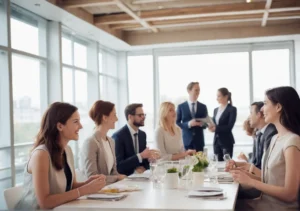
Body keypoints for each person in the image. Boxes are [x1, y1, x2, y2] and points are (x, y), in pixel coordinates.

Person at [15, 102, 106, 210]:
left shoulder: (67, 150)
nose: (81, 126)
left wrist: (88, 184)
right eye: (76, 122)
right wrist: (84, 190)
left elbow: (70, 187)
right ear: (60, 126)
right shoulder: (41, 155)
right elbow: (44, 202)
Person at [228, 86, 300, 210]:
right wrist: (245, 176)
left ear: (278, 107)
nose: (262, 109)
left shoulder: (292, 141)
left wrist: (251, 182)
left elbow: (290, 194)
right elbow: (272, 181)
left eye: (265, 103)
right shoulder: (275, 138)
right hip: (263, 203)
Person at [80, 100, 126, 184]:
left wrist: (122, 178)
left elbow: (114, 172)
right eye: (114, 115)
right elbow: (92, 177)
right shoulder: (90, 142)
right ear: (105, 118)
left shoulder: (111, 141)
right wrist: (117, 178)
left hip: (110, 190)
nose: (117, 119)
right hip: (96, 193)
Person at [113, 103, 154, 176]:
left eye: (144, 115)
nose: (143, 117)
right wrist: (140, 156)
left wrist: (150, 159)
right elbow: (119, 166)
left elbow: (144, 162)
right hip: (125, 179)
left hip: (141, 177)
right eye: (140, 115)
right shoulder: (118, 136)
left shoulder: (142, 135)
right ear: (130, 117)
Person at [176, 82, 208, 152]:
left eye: (199, 90)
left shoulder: (203, 107)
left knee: (201, 162)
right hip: (186, 142)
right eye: (196, 90)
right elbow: (176, 123)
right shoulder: (181, 107)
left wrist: (202, 124)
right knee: (187, 162)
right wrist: (189, 124)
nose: (198, 92)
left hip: (199, 142)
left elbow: (206, 124)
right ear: (189, 91)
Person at [209, 88, 237, 161]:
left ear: (226, 97)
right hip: (216, 141)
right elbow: (214, 124)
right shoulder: (215, 110)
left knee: (227, 164)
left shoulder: (232, 109)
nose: (216, 98)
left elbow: (229, 127)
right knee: (217, 163)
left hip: (226, 142)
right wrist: (211, 127)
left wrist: (216, 128)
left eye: (219, 96)